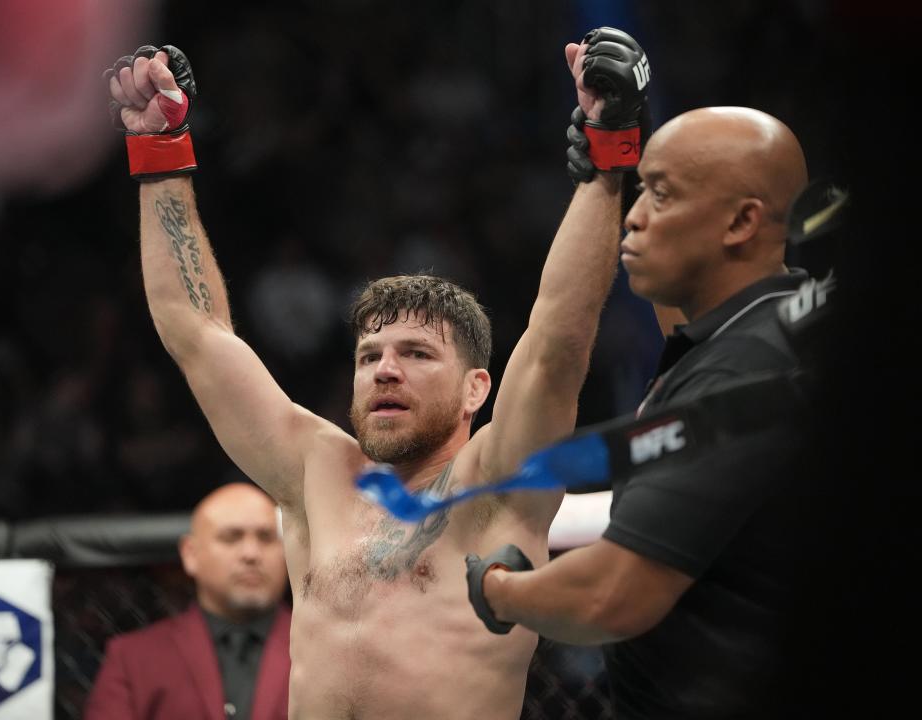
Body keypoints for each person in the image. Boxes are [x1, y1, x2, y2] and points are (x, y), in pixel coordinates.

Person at [104, 26, 647, 719]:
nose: (385, 371)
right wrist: (158, 152)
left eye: (416, 354)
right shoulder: (314, 474)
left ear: (477, 389)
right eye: (369, 357)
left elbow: (558, 345)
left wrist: (607, 160)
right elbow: (198, 334)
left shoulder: (499, 486)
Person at [467, 106, 821, 718]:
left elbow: (610, 597)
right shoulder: (779, 322)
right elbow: (579, 324)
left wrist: (499, 590)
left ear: (741, 222)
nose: (634, 216)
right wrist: (613, 159)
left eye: (660, 195)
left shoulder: (744, 371)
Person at [85, 482, 292, 720]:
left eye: (266, 538)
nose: (251, 554)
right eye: (231, 538)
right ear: (191, 554)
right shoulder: (133, 658)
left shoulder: (331, 651)